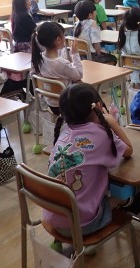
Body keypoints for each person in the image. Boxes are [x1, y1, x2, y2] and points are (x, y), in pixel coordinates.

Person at [44, 83, 133, 237]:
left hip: (54, 218)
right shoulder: (101, 135)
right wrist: (111, 121)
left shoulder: (64, 132)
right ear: (98, 106)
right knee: (125, 192)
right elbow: (129, 150)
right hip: (82, 225)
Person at [31, 21, 83, 115]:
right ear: (58, 40)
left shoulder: (38, 58)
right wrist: (75, 54)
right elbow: (79, 74)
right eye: (64, 36)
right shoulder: (61, 63)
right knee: (86, 89)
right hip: (66, 105)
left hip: (50, 103)